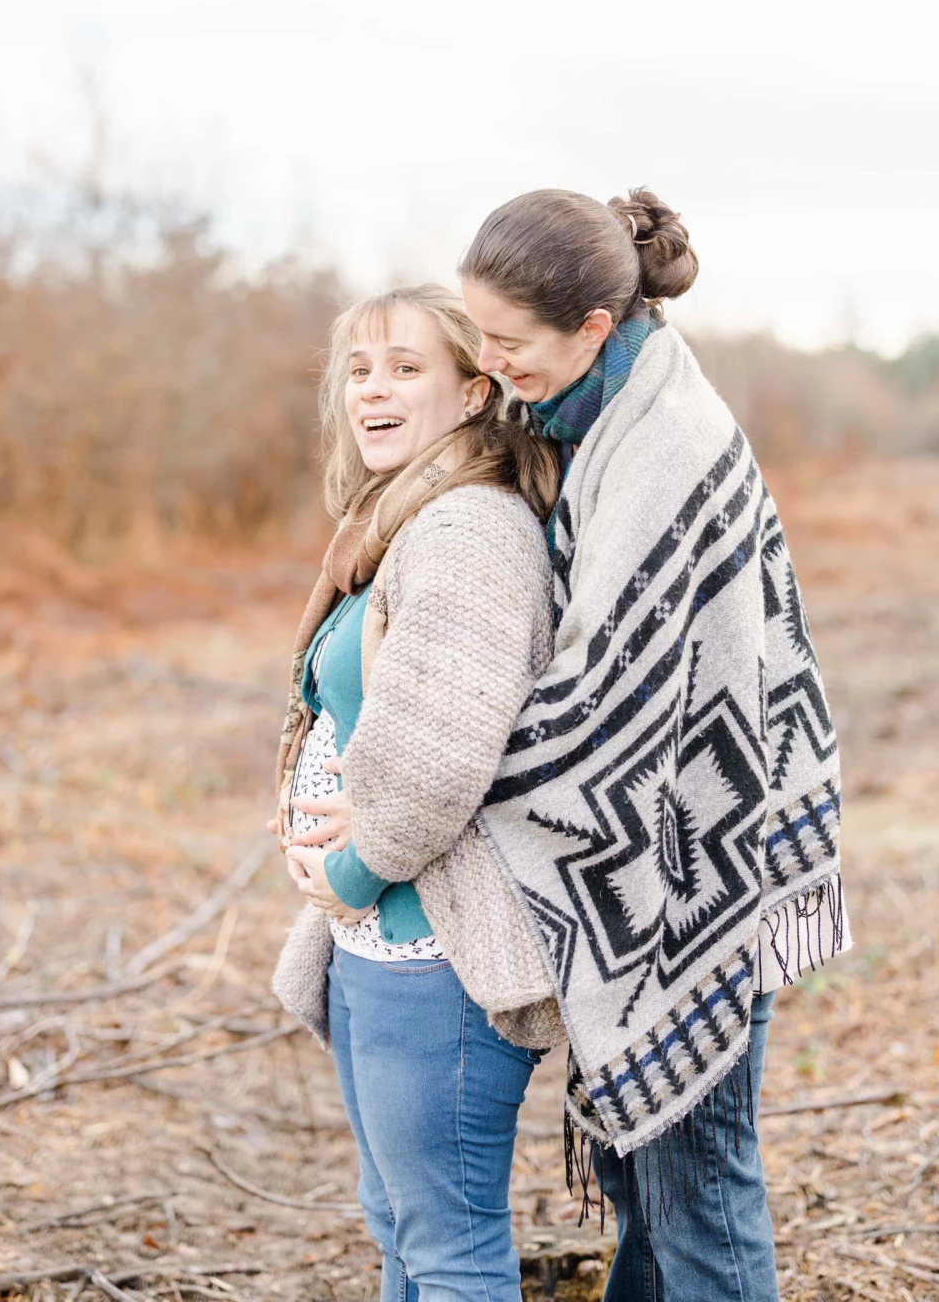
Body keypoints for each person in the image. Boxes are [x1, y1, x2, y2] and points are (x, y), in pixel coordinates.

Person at [455, 188, 848, 1302]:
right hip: (688, 840)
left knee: (697, 1182)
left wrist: (437, 784)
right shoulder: (595, 409)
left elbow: (604, 702)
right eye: (475, 332)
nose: (488, 362)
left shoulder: (662, 443)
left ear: (590, 325)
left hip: (704, 865)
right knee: (645, 1174)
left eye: (508, 343)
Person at [268, 284, 566, 1302]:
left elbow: (443, 758)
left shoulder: (467, 531)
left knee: (448, 1243)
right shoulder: (400, 519)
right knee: (400, 1224)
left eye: (405, 368)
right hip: (376, 938)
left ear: (476, 391)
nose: (372, 390)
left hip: (429, 950)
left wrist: (352, 869)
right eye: (358, 369)